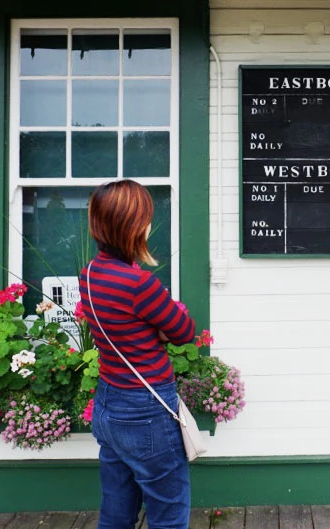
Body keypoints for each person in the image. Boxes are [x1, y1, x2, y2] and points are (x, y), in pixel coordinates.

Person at [77, 179, 196, 529]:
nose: (148, 223)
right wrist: (159, 323)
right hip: (146, 409)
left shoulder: (90, 273)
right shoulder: (139, 283)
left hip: (108, 403)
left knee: (116, 512)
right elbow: (184, 332)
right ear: (133, 225)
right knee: (168, 514)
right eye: (144, 217)